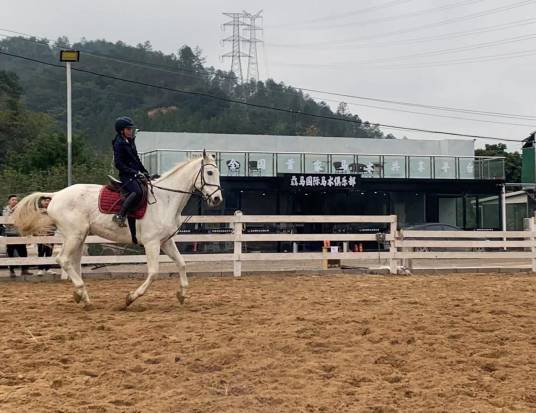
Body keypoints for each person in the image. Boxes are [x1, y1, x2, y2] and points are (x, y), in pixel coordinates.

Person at [112, 116, 149, 227]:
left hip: (135, 173)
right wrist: (134, 173)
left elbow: (136, 159)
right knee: (137, 192)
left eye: (131, 129)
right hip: (126, 175)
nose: (131, 131)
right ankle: (120, 215)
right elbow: (119, 164)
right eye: (128, 129)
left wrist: (144, 171)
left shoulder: (130, 141)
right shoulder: (118, 143)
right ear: (121, 130)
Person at [2, 195, 32, 277]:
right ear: (9, 201)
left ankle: (24, 270)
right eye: (13, 200)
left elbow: (23, 220)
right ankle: (12, 271)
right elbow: (6, 223)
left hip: (20, 234)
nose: (15, 201)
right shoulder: (5, 210)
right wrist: (13, 212)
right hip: (10, 235)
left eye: (16, 200)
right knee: (10, 253)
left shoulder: (20, 210)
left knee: (23, 252)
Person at [36, 196, 56, 276]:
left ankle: (48, 268)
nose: (46, 202)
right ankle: (40, 269)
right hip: (40, 233)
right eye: (44, 200)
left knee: (49, 251)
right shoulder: (37, 210)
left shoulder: (54, 210)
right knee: (41, 251)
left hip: (51, 233)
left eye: (48, 200)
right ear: (41, 202)